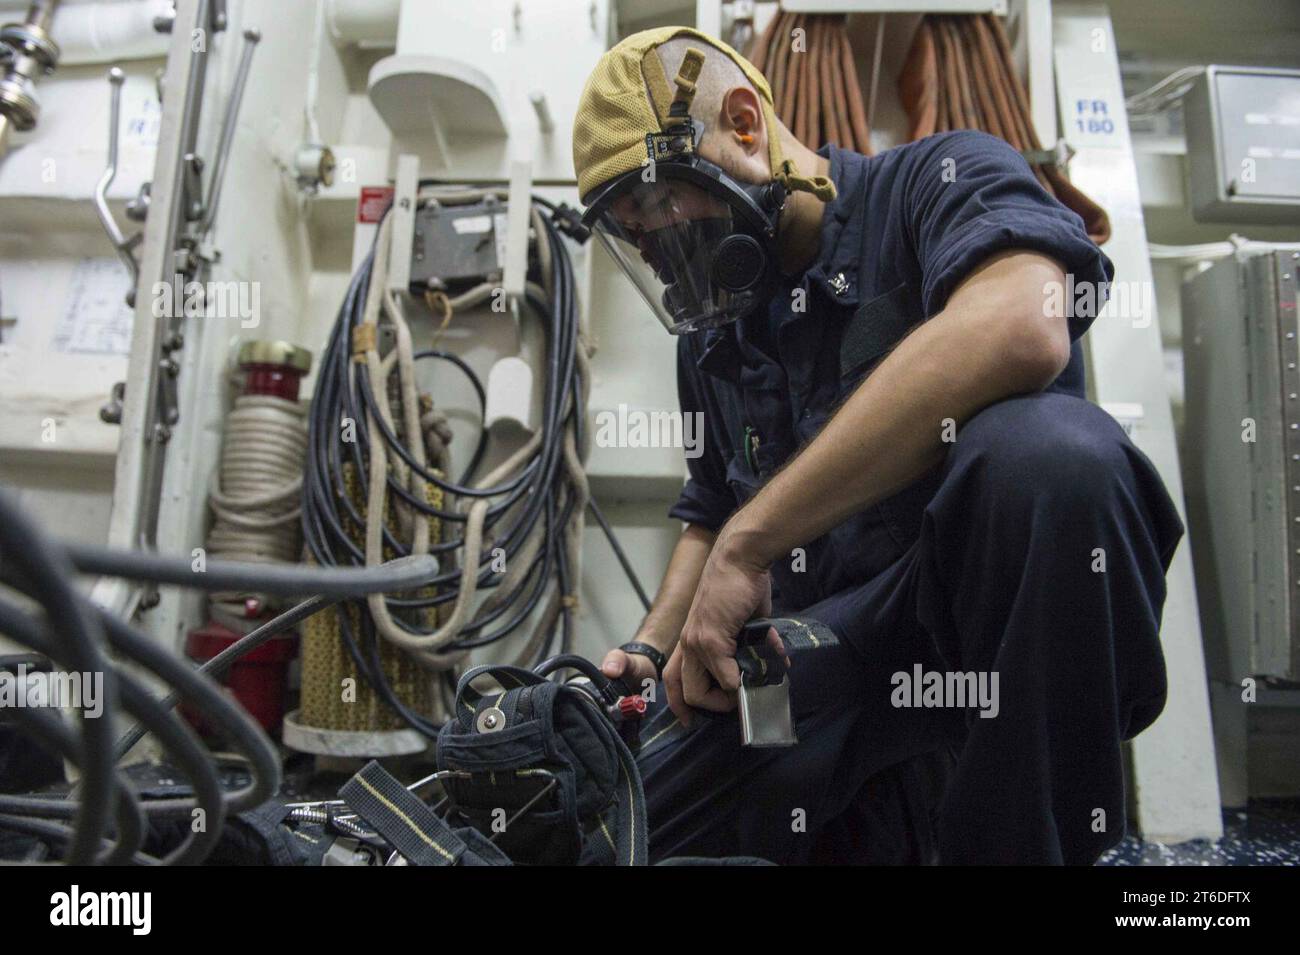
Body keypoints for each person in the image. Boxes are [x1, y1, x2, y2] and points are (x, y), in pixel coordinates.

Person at [573, 26, 1182, 864]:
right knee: (601, 830)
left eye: (661, 212)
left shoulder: (939, 180)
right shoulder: (713, 332)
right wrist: (651, 647)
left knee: (1053, 457)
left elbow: (1021, 326)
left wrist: (755, 540)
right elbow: (713, 510)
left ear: (744, 125)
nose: (662, 255)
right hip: (818, 657)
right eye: (636, 238)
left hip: (966, 641)